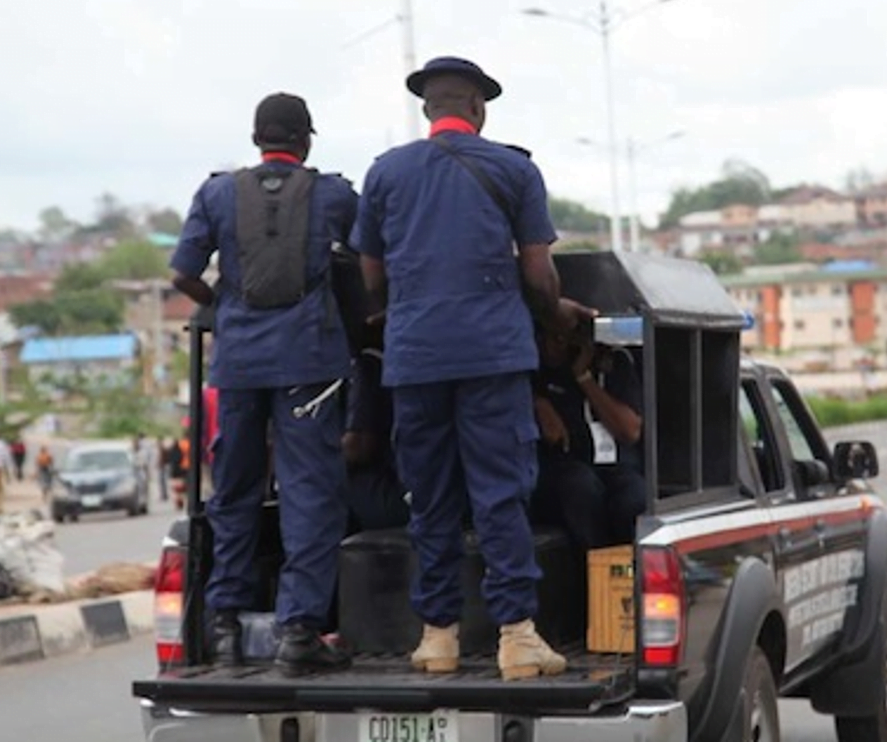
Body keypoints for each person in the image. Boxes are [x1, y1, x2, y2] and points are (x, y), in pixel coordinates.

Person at [352, 56, 592, 681]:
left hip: (414, 358)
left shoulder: (385, 173)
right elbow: (539, 274)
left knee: (428, 497)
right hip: (492, 355)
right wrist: (556, 317)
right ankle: (517, 637)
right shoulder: (514, 169)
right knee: (499, 494)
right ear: (479, 110)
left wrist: (398, 315)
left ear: (428, 110)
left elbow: (370, 275)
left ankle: (437, 638)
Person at [170, 92, 356, 676]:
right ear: (306, 141)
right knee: (309, 494)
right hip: (308, 363)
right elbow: (372, 258)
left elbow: (182, 273)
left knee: (234, 489)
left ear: (257, 139)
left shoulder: (216, 192)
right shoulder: (333, 194)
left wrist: (221, 308)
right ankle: (299, 630)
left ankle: (225, 624)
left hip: (238, 365)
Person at [531, 326, 645, 550]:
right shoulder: (534, 369)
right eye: (551, 336)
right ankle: (596, 573)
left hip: (614, 467)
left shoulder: (613, 362)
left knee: (635, 499)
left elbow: (629, 431)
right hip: (565, 466)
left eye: (563, 337)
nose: (556, 344)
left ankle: (630, 574)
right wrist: (538, 403)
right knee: (580, 488)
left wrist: (584, 377)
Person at [343, 327, 409, 533]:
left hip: (390, 496)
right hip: (428, 493)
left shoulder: (368, 364)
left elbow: (359, 446)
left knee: (314, 477)